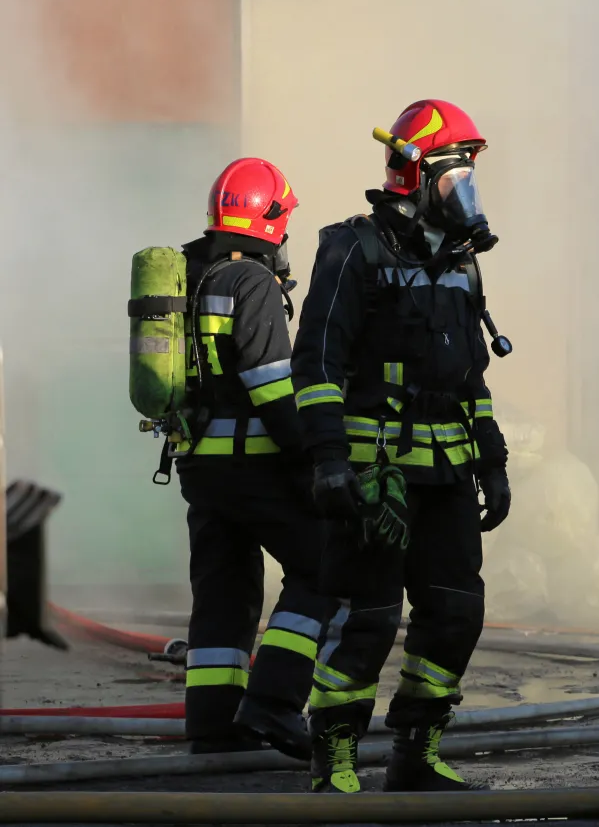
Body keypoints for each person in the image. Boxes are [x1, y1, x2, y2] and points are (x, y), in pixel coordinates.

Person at [291, 99, 512, 793]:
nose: (469, 188)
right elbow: (316, 363)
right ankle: (335, 757)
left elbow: (470, 376)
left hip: (447, 480)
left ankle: (416, 751)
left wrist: (494, 459)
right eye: (459, 173)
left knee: (455, 615)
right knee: (368, 621)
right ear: (420, 173)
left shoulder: (459, 265)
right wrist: (329, 459)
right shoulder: (352, 248)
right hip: (371, 477)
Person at [176, 157, 329, 758]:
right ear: (271, 218)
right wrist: (312, 455)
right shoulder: (252, 283)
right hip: (256, 463)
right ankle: (274, 703)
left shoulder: (189, 276)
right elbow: (272, 387)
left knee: (223, 591)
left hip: (200, 469)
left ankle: (214, 726)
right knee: (322, 568)